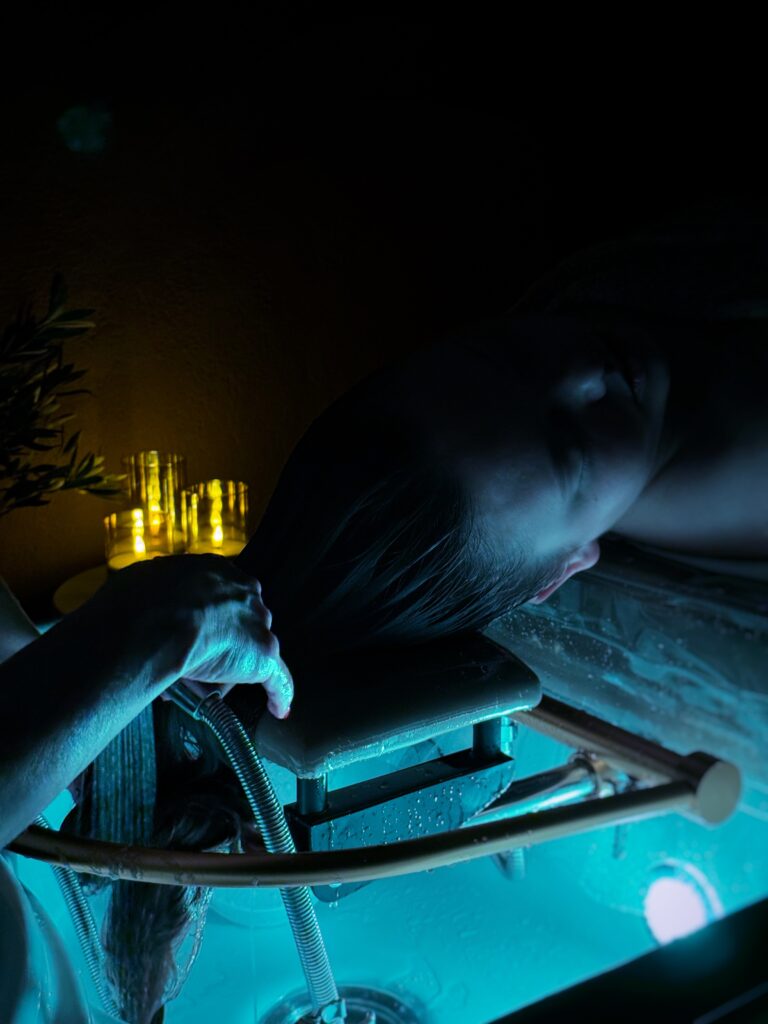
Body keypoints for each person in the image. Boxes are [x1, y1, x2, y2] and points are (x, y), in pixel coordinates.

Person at [4, 200, 767, 1022]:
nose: (584, 371)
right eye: (568, 451)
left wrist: (121, 651)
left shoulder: (593, 301)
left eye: (505, 354)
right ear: (562, 572)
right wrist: (130, 644)